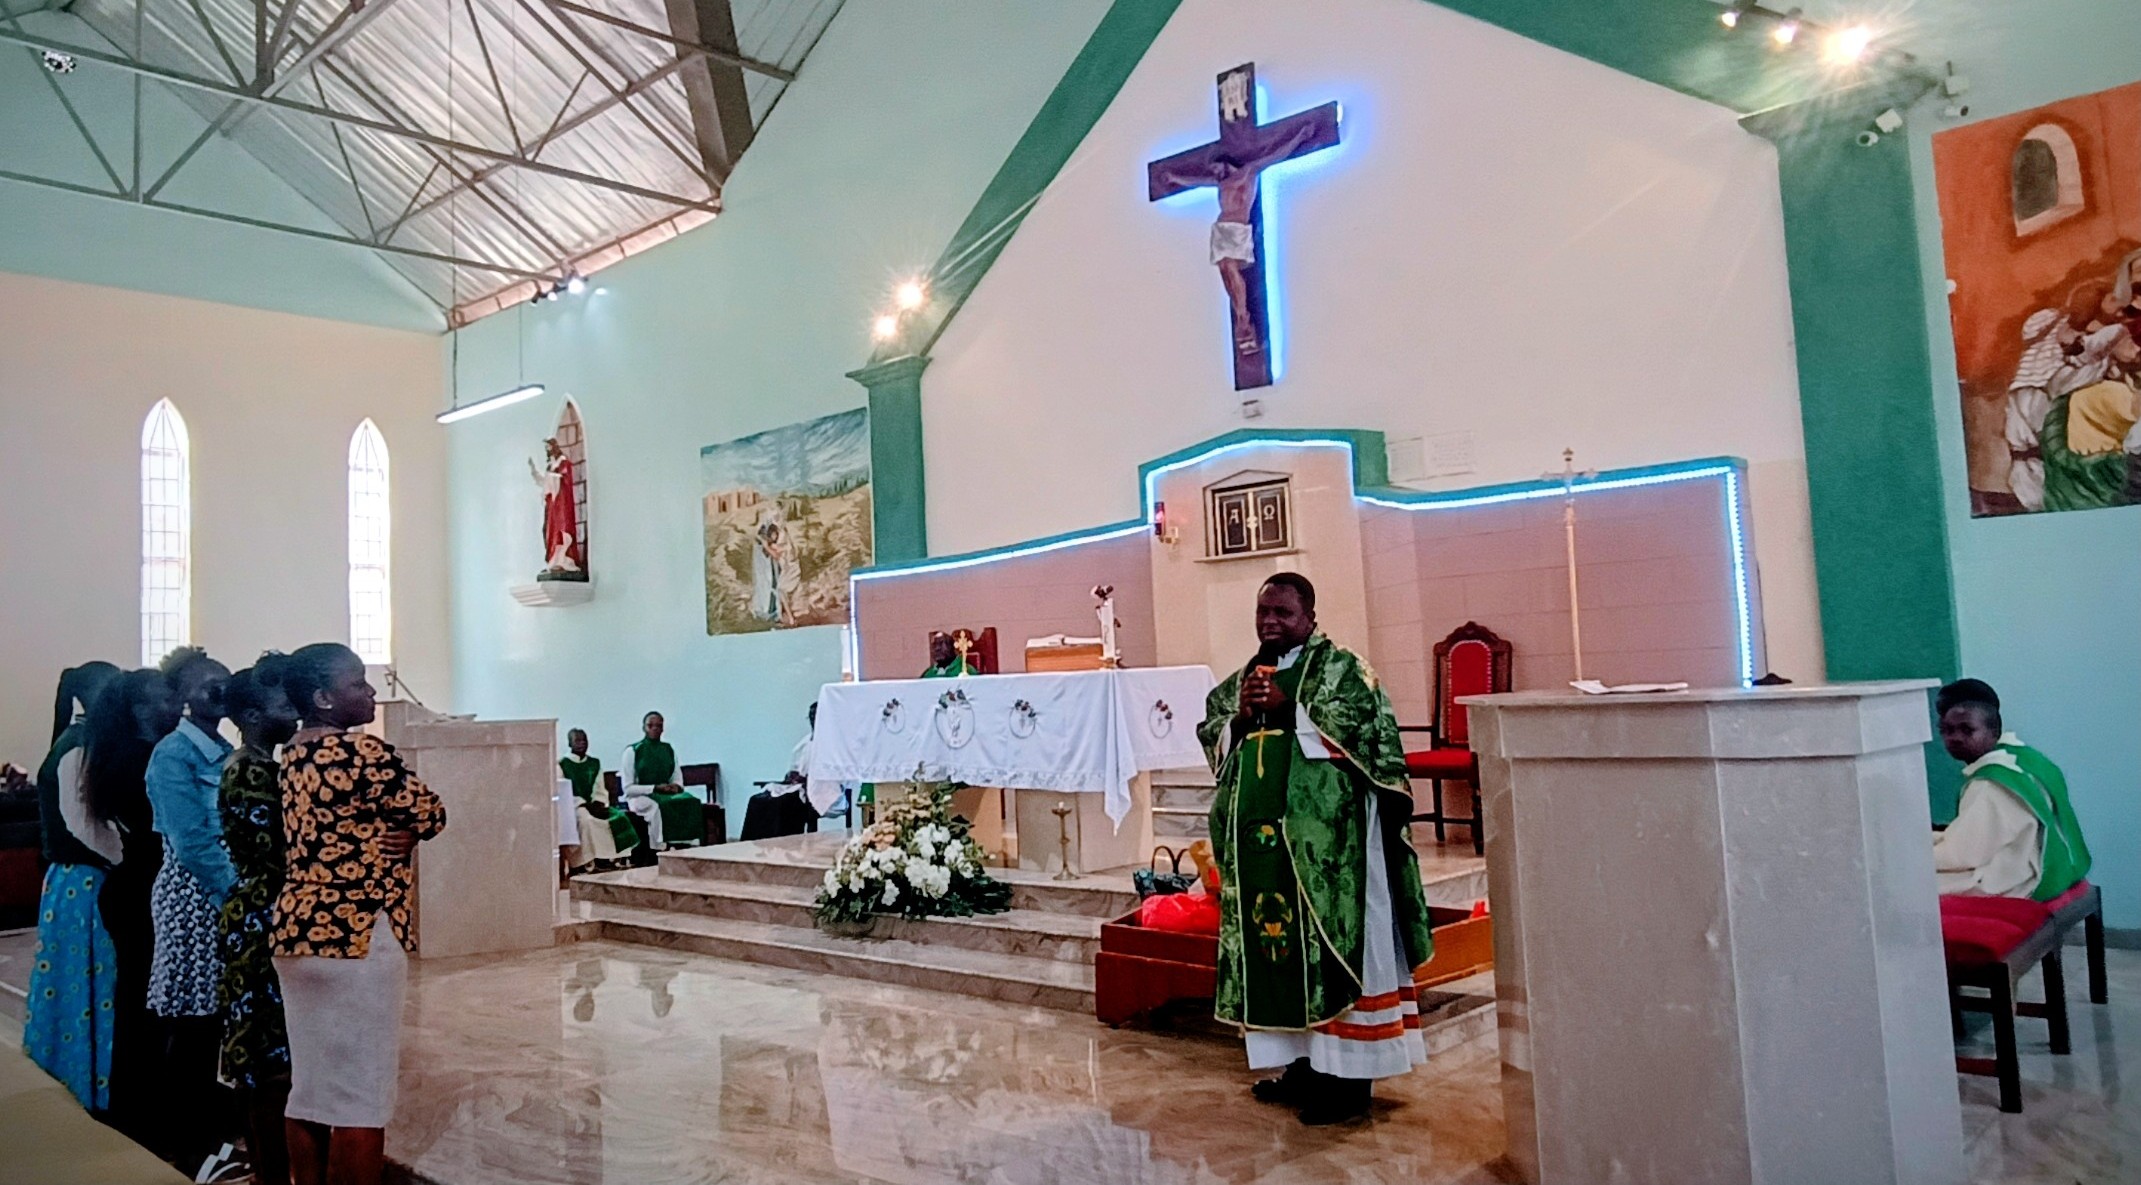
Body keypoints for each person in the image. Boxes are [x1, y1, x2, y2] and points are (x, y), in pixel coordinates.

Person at [1197, 573, 1435, 1126]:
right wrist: (1240, 719)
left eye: (1282, 612)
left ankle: (1349, 1083)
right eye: (1263, 612)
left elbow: (1370, 739)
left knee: (1333, 954)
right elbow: (1213, 728)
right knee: (1281, 957)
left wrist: (1291, 711)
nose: (1270, 622)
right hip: (1265, 852)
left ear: (1309, 616)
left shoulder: (1343, 671)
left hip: (1330, 854)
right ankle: (1302, 1067)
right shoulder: (1246, 679)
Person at [273, 643, 446, 1185]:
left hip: (298, 931)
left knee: (310, 1089)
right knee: (361, 1101)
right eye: (357, 684)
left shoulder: (291, 755)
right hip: (356, 935)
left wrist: (399, 831)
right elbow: (430, 810)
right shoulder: (360, 752)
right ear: (323, 698)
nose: (371, 692)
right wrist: (410, 831)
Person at [144, 647, 240, 1176]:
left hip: (219, 896)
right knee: (193, 1022)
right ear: (183, 698)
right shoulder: (173, 755)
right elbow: (193, 842)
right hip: (193, 898)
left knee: (214, 1021)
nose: (220, 692)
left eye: (225, 682)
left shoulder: (224, 748)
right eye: (208, 686)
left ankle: (211, 1135)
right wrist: (238, 895)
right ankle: (188, 1145)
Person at [83, 668, 184, 1150]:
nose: (177, 705)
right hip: (142, 888)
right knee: (146, 1008)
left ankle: (138, 1110)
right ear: (141, 709)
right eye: (166, 698)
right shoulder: (142, 759)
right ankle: (143, 1116)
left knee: (141, 1004)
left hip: (133, 885)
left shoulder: (128, 752)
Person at [23, 661, 122, 1111]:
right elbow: (83, 824)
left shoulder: (77, 741)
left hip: (74, 882)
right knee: (87, 984)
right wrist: (127, 858)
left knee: (80, 984)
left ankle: (84, 1077)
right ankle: (86, 1083)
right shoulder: (78, 748)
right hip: (84, 884)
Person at [217, 657, 300, 1185]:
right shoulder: (250, 769)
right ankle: (270, 1171)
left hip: (262, 908)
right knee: (269, 1061)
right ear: (251, 715)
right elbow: (278, 854)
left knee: (276, 1055)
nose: (293, 711)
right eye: (282, 704)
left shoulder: (261, 763)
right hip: (261, 916)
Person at [1933, 679, 2092, 901]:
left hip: (2020, 878)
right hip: (2059, 862)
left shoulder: (1991, 784)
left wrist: (1914, 855)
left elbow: (1965, 854)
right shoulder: (2027, 758)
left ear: (1993, 727)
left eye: (1966, 729)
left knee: (1908, 884)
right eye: (1947, 729)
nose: (1955, 738)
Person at [619, 712, 705, 850]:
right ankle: (658, 848)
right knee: (656, 808)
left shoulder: (668, 749)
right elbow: (628, 788)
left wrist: (676, 786)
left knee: (691, 802)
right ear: (644, 727)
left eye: (658, 726)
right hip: (639, 797)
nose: (655, 729)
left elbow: (676, 776)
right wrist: (655, 788)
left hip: (666, 794)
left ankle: (687, 845)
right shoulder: (633, 751)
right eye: (651, 726)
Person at [559, 728, 638, 868]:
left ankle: (608, 859)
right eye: (577, 740)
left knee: (619, 817)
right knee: (587, 821)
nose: (582, 743)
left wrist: (598, 802)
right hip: (574, 806)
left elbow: (599, 787)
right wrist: (583, 804)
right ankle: (587, 861)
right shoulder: (561, 764)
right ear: (570, 743)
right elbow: (563, 791)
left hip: (594, 804)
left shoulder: (594, 763)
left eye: (584, 740)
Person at [528, 437, 582, 576]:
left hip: (561, 504)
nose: (547, 450)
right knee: (550, 531)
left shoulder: (563, 462)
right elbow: (545, 483)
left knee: (562, 531)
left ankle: (565, 560)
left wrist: (551, 477)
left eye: (549, 447)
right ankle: (554, 560)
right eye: (546, 448)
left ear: (554, 447)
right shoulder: (550, 466)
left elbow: (564, 480)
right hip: (552, 505)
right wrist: (534, 471)